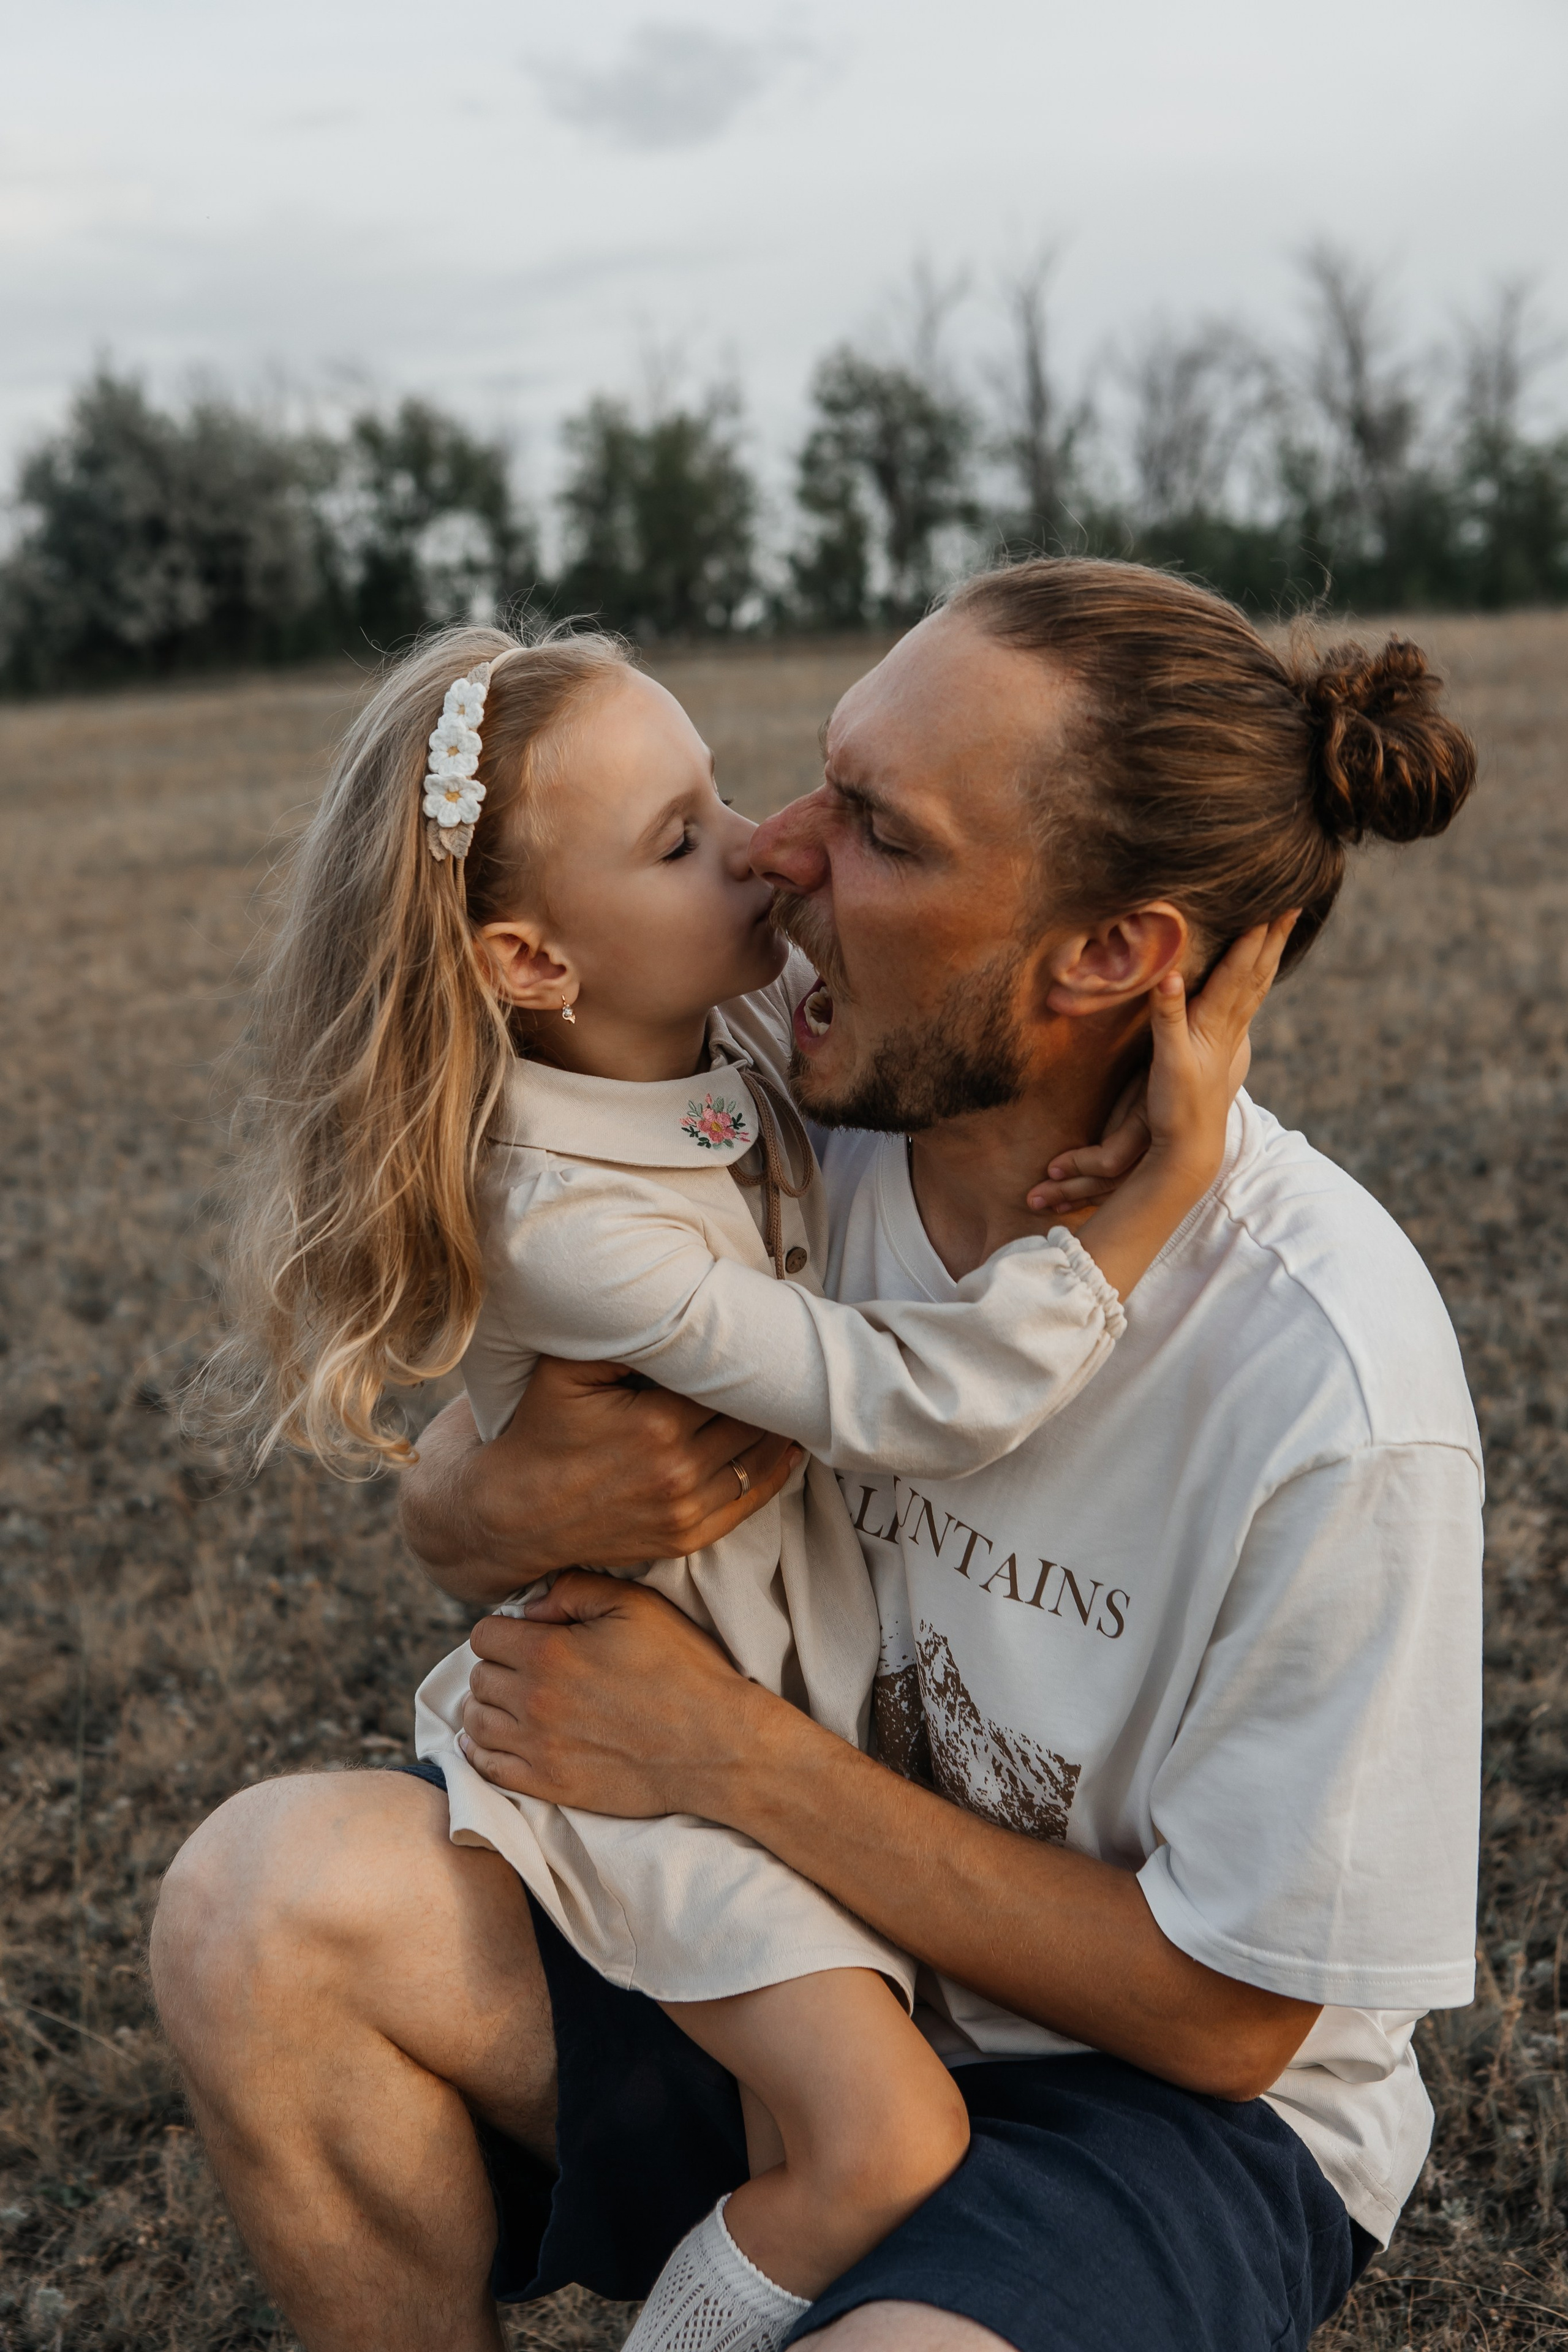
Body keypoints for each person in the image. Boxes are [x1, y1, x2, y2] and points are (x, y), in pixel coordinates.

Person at [152, 558, 1483, 2352]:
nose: (776, 851)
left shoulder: (1332, 1378)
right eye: (812, 779)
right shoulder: (778, 1097)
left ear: (1109, 955)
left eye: (875, 828)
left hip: (1156, 2114)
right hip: (793, 1961)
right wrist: (479, 1511)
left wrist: (735, 1759)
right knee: (254, 1910)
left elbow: (1234, 2022)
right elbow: (499, 1435)